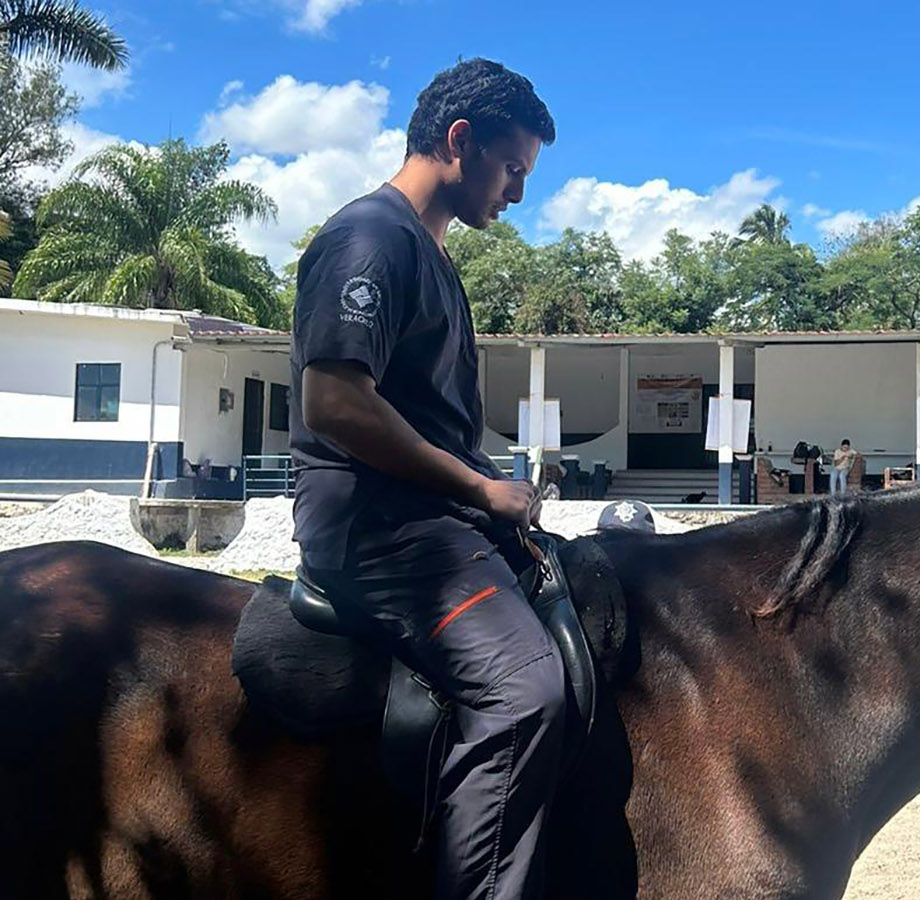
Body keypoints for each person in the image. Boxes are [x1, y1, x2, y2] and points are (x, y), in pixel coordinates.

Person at [289, 59, 563, 900]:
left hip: (428, 517)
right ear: (458, 141)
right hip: (379, 527)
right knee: (525, 689)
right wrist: (481, 491)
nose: (516, 194)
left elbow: (429, 419)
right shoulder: (371, 237)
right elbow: (335, 401)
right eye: (512, 169)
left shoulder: (433, 256)